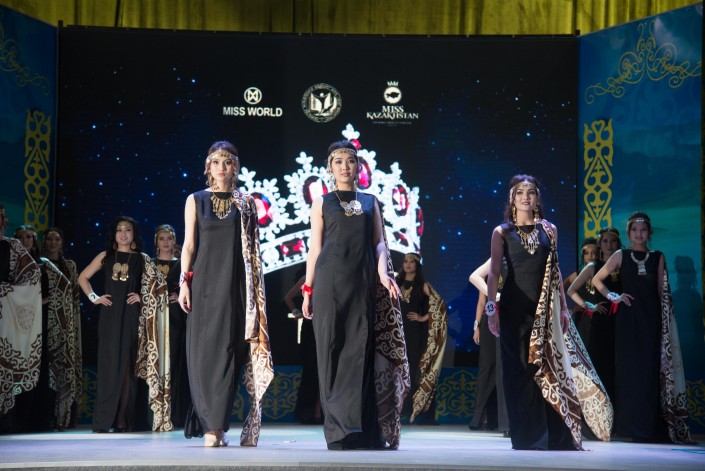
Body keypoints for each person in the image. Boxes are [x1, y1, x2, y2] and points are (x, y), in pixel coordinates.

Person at [485, 174, 612, 450]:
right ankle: (527, 436)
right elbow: (494, 273)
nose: (525, 197)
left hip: (544, 312)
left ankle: (551, 435)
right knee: (518, 371)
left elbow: (555, 271)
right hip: (512, 310)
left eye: (530, 192)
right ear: (512, 198)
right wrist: (491, 309)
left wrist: (564, 309)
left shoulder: (549, 229)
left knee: (546, 369)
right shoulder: (501, 232)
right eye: (520, 193)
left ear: (537, 198)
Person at [302, 139, 409, 450]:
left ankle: (360, 429)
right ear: (330, 168)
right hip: (329, 283)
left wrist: (383, 274)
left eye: (350, 161)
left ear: (359, 167)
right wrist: (307, 290)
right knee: (331, 350)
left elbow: (379, 243)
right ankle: (338, 431)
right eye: (338, 162)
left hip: (362, 282)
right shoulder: (322, 202)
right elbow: (315, 248)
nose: (345, 167)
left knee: (359, 351)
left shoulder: (370, 201)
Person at [178, 141, 273, 448]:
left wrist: (255, 295)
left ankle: (218, 426)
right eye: (216, 162)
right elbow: (189, 245)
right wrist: (183, 282)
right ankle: (211, 426)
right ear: (208, 166)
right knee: (204, 353)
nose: (222, 168)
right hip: (204, 285)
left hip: (235, 287)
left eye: (227, 162)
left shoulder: (246, 202)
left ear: (236, 167)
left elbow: (253, 251)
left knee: (229, 354)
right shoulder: (196, 199)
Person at [592, 212, 693, 444]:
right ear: (628, 233)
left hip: (651, 320)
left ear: (649, 233)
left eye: (643, 230)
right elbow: (597, 279)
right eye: (635, 230)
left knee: (649, 371)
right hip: (628, 321)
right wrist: (613, 296)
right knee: (629, 372)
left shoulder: (657, 257)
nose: (639, 234)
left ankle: (649, 427)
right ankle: (630, 427)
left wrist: (665, 324)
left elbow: (660, 292)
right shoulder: (621, 255)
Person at [78, 216, 171, 433]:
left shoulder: (142, 259)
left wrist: (143, 297)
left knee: (128, 367)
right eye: (119, 229)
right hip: (109, 315)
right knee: (109, 366)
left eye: (127, 229)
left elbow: (160, 287)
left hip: (132, 316)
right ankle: (104, 420)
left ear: (133, 234)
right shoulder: (105, 256)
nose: (123, 233)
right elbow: (83, 277)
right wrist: (94, 297)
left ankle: (123, 418)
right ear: (114, 234)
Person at [13, 225, 74, 432]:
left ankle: (39, 419)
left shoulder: (43, 264)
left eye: (29, 237)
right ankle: (17, 419)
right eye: (21, 237)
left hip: (44, 323)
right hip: (19, 324)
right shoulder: (14, 263)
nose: (25, 240)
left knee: (41, 370)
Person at [0, 205, 42, 432]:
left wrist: (8, 291)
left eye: (2, 217)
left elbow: (32, 275)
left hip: (4, 314)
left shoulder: (12, 246)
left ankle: (4, 421)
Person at [566, 227, 621, 400]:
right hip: (601, 322)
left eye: (613, 241)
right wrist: (587, 305)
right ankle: (600, 408)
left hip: (621, 322)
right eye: (605, 241)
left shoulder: (624, 263)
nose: (609, 245)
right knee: (600, 365)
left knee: (619, 367)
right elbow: (570, 290)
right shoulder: (593, 267)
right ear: (600, 244)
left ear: (618, 243)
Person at [395, 252, 447, 425]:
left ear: (417, 264)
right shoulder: (397, 283)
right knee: (398, 371)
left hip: (415, 334)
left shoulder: (422, 285)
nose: (408, 264)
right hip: (398, 333)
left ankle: (413, 412)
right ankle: (398, 410)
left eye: (411, 261)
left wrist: (423, 317)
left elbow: (440, 305)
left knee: (413, 370)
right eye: (405, 261)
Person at [42, 227, 83, 428]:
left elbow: (74, 296)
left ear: (62, 243)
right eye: (49, 239)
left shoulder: (69, 266)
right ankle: (44, 416)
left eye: (57, 239)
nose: (53, 242)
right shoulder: (38, 264)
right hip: (44, 322)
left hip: (65, 324)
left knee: (64, 366)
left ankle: (64, 416)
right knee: (46, 367)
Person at [152, 224, 190, 428]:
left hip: (174, 318)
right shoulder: (148, 263)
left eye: (169, 238)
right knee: (154, 363)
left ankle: (173, 414)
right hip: (152, 318)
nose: (166, 242)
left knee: (173, 364)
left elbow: (192, 286)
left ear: (175, 241)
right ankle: (153, 414)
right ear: (156, 242)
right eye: (162, 238)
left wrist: (180, 295)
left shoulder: (183, 264)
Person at [468, 258, 509, 436]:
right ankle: (478, 417)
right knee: (487, 366)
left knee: (503, 368)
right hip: (489, 320)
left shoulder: (514, 267)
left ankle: (500, 420)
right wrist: (476, 325)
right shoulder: (488, 272)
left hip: (508, 318)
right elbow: (481, 302)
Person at [283, 270, 322, 425]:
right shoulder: (307, 277)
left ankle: (320, 412)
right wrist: (296, 311)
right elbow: (288, 297)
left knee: (325, 371)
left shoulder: (331, 273)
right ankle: (309, 412)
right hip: (310, 328)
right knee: (312, 370)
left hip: (326, 326)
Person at [563, 237, 598, 343]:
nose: (590, 256)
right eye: (586, 253)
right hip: (583, 319)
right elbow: (559, 291)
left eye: (593, 252)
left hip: (601, 314)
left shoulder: (604, 274)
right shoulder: (575, 276)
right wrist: (567, 309)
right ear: (582, 255)